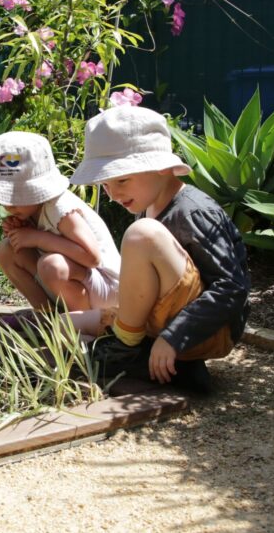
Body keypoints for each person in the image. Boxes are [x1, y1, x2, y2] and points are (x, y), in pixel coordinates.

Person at [70, 105, 250, 393]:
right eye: (105, 185)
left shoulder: (191, 211)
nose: (113, 194)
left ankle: (126, 350)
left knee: (142, 235)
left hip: (208, 331)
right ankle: (161, 362)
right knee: (67, 325)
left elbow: (232, 287)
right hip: (165, 322)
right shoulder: (150, 205)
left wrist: (174, 337)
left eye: (122, 179)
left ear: (162, 168)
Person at [0, 131, 121, 335]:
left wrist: (37, 238)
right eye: (4, 198)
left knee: (51, 265)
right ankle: (46, 316)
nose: (9, 205)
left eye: (16, 196)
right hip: (80, 283)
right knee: (7, 250)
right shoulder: (33, 211)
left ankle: (79, 324)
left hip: (106, 290)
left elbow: (92, 257)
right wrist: (24, 232)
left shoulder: (60, 208)